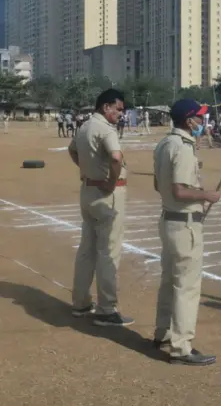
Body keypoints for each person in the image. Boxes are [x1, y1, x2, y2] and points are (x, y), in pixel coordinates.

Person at [152, 98, 220, 365]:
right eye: (199, 118)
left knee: (169, 281)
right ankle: (181, 348)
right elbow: (180, 191)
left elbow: (160, 185)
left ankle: (163, 334)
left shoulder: (165, 144)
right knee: (186, 287)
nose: (202, 122)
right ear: (188, 120)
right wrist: (206, 195)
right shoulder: (182, 148)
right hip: (184, 225)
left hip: (169, 220)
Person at [67, 89, 133, 326]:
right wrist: (111, 181)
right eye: (118, 109)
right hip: (108, 195)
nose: (120, 114)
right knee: (108, 252)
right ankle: (106, 308)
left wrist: (86, 170)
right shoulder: (105, 128)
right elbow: (115, 157)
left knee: (87, 250)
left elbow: (72, 150)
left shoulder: (85, 126)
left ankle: (81, 302)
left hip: (88, 192)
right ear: (106, 107)